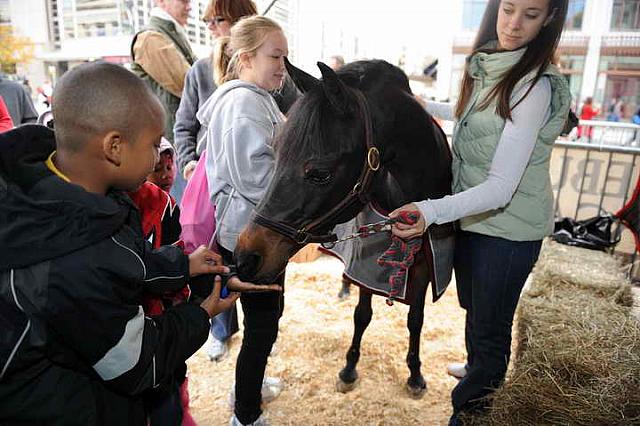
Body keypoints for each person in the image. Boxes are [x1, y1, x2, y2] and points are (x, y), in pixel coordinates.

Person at [0, 61, 279, 425]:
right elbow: (137, 362)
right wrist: (201, 313)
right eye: (151, 145)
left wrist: (185, 266)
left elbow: (125, 259)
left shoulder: (69, 195)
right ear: (114, 147)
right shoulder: (70, 258)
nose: (155, 158)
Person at [390, 0, 571, 423]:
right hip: (476, 217)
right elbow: (471, 115)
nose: (514, 23)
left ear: (548, 20)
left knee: (491, 333)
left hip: (508, 231)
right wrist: (419, 105)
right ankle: (475, 368)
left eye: (531, 14)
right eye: (508, 8)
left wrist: (428, 211)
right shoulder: (491, 64)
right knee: (476, 309)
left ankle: (470, 412)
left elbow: (501, 188)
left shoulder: (534, 85)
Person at [197, 15, 287, 426]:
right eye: (275, 56)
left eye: (285, 57)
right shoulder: (243, 103)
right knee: (263, 325)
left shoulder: (257, 96)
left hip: (257, 231)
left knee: (262, 322)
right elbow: (254, 176)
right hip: (249, 234)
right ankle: (246, 415)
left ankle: (247, 388)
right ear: (247, 57)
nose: (282, 65)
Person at [131, 0, 197, 203]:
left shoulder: (168, 34)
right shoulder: (150, 38)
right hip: (168, 149)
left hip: (174, 147)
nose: (189, 6)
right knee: (176, 218)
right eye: (183, 0)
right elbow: (189, 85)